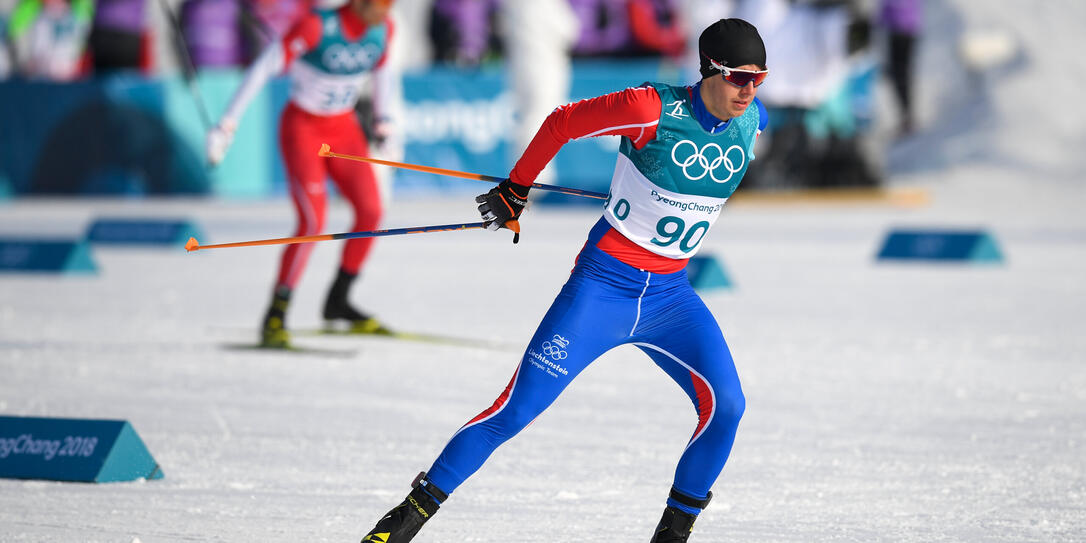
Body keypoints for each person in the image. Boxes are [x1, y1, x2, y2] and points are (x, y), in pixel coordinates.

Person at [360, 18, 769, 543]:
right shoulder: (651, 107)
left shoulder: (751, 119)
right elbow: (563, 122)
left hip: (671, 297)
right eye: (739, 76)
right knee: (514, 410)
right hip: (604, 288)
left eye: (759, 78)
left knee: (727, 407)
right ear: (710, 68)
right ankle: (403, 519)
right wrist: (516, 189)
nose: (749, 90)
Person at [206, 0, 396, 349]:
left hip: (344, 129)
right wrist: (225, 127)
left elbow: (383, 71)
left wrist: (383, 119)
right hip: (304, 130)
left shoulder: (383, 29)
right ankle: (276, 313)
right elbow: (263, 69)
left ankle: (338, 301)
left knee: (371, 212)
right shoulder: (317, 26)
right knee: (312, 223)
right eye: (381, 4)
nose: (386, 11)